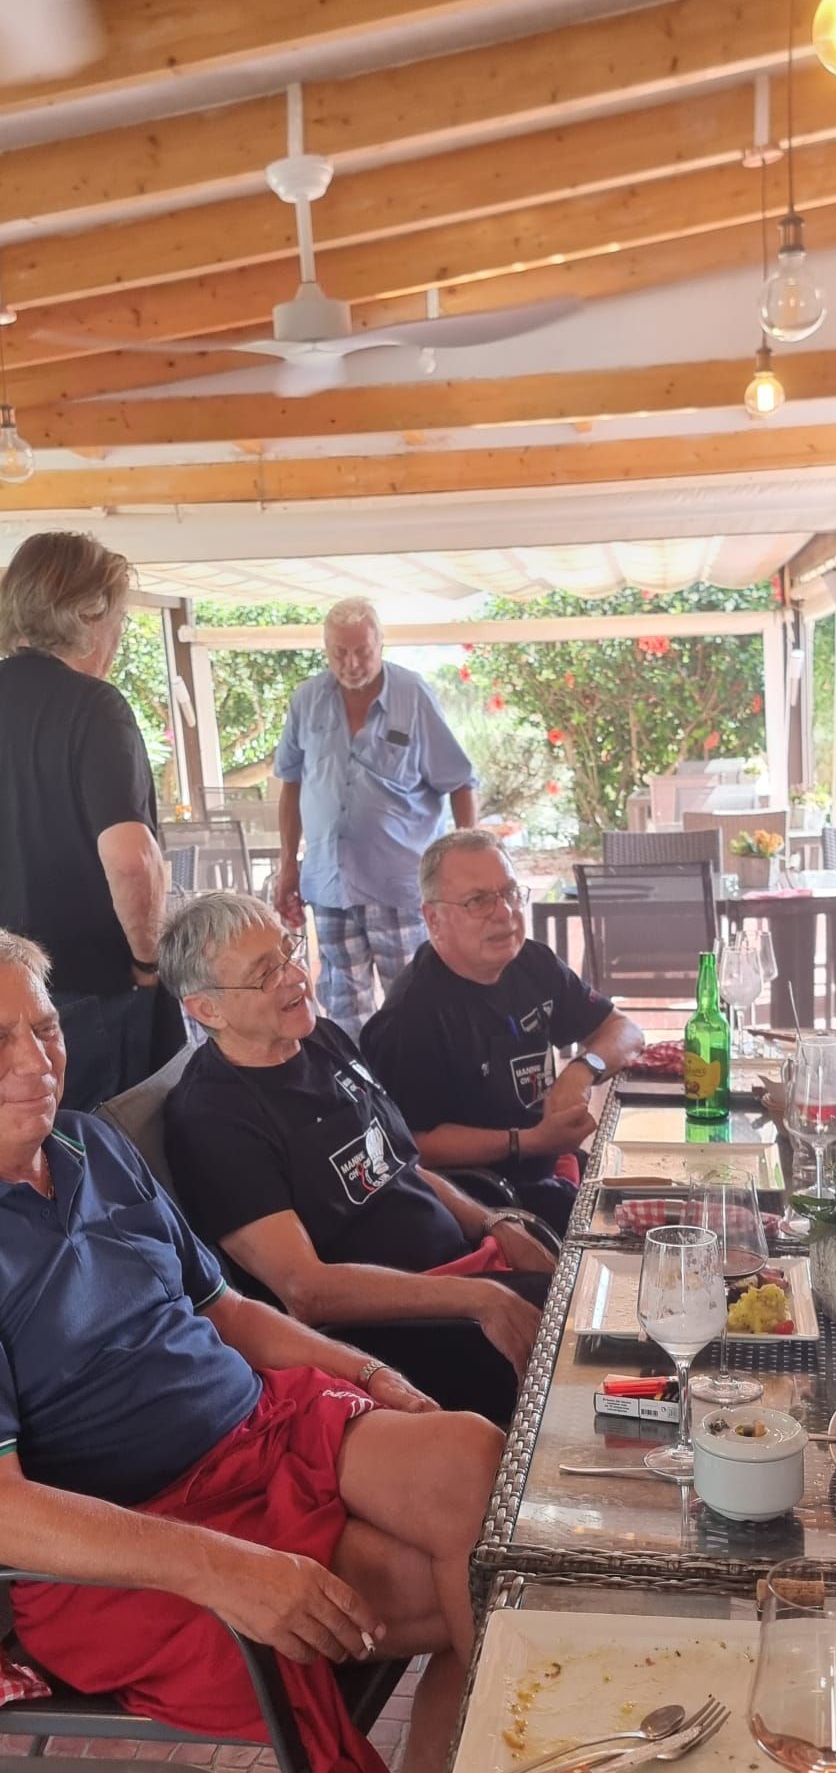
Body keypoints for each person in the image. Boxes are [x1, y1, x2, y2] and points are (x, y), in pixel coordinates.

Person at [0, 927, 502, 1773]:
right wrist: (223, 1568)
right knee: (458, 1585)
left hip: (259, 1428)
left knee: (473, 1462)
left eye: (44, 1028)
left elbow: (224, 1308)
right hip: (131, 1535)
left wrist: (366, 1373)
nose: (36, 1060)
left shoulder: (90, 1144)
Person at [162, 893, 553, 1426]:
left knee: (586, 1279)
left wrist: (494, 1223)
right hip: (395, 1337)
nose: (295, 976)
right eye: (265, 973)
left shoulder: (322, 1038)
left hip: (464, 1278)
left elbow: (403, 1166)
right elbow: (307, 1291)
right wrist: (478, 1298)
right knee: (586, 1330)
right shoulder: (213, 1117)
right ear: (207, 1009)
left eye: (289, 951)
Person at [361, 829, 645, 1234]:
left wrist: (583, 1070)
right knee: (634, 1234)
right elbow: (409, 1146)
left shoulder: (532, 962)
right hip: (483, 1201)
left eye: (510, 892)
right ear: (433, 918)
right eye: (478, 901)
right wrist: (529, 1141)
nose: (504, 912)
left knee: (669, 1195)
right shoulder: (410, 1016)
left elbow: (624, 1029)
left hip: (549, 1165)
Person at [0, 530, 184, 1111]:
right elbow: (131, 859)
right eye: (119, 618)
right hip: (84, 994)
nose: (119, 636)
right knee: (105, 1150)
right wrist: (147, 962)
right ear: (89, 613)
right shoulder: (95, 707)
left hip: (7, 999)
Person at [273, 597, 477, 1042]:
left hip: (400, 885)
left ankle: (416, 1084)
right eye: (339, 653)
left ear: (381, 644)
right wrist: (288, 864)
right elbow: (291, 783)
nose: (351, 663)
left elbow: (460, 782)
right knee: (342, 1008)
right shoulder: (307, 700)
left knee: (415, 1005)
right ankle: (358, 1083)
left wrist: (468, 868)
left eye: (362, 651)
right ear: (325, 649)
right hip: (330, 885)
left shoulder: (413, 695)